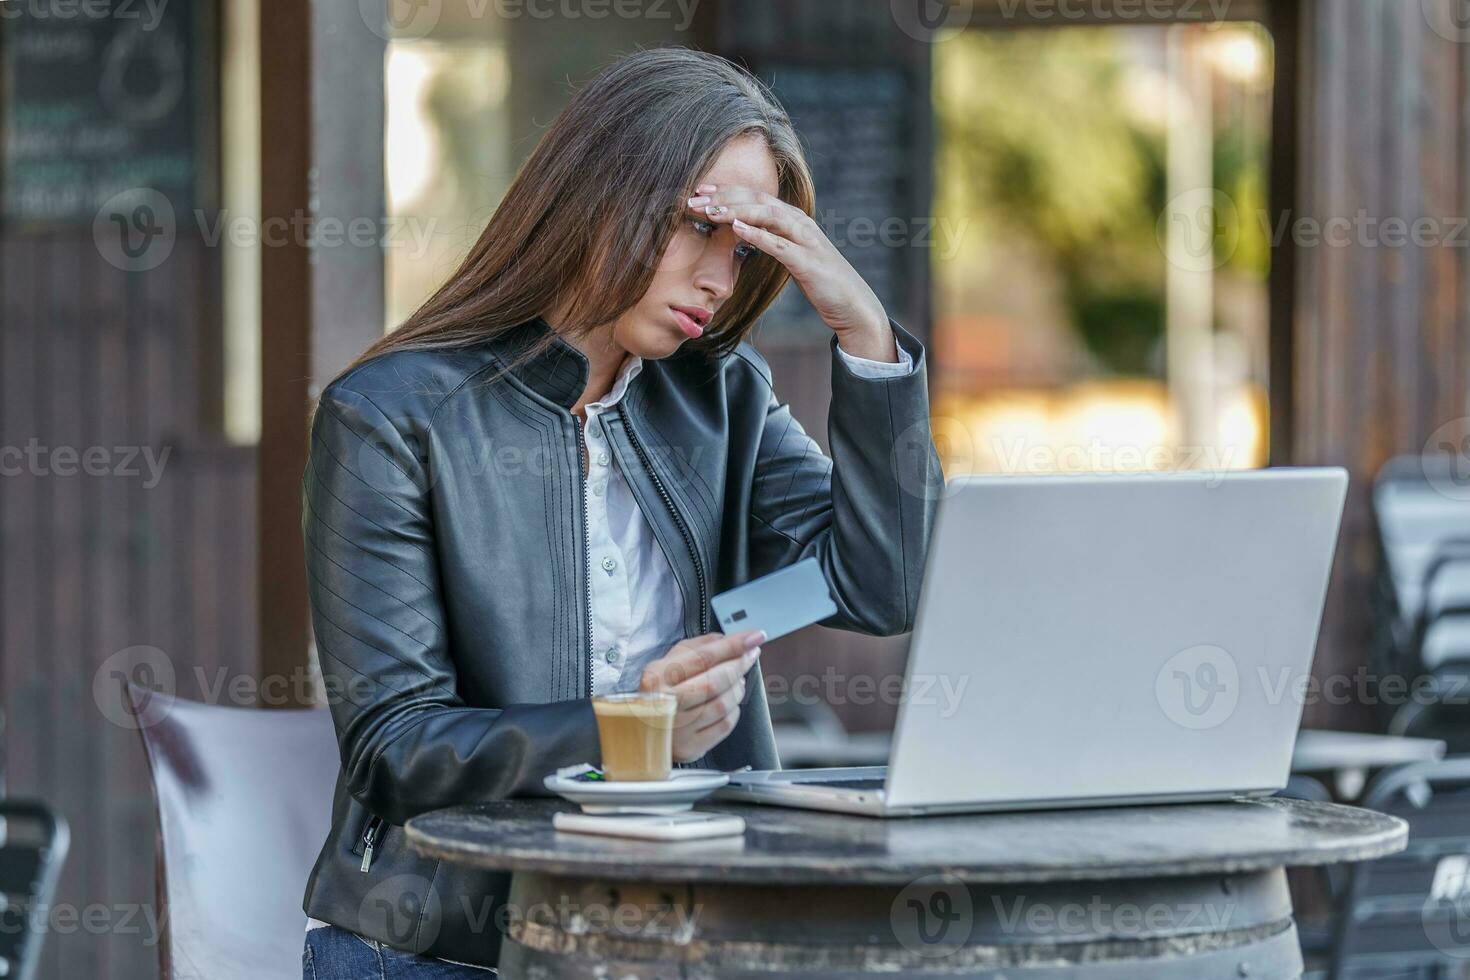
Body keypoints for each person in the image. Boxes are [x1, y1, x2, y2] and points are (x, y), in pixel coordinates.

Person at [299, 46, 942, 977]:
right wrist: (633, 726)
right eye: (697, 227)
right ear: (601, 193)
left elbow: (876, 587)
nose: (721, 280)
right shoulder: (391, 416)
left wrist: (868, 338)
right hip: (449, 947)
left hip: (682, 934)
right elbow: (398, 750)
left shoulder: (720, 400)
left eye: (744, 248)